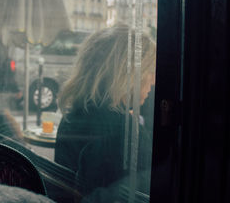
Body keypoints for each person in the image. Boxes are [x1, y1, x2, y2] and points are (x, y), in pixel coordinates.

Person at [54, 24, 156, 200]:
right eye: (150, 71)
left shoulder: (73, 116)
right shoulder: (125, 132)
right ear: (128, 74)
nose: (153, 80)